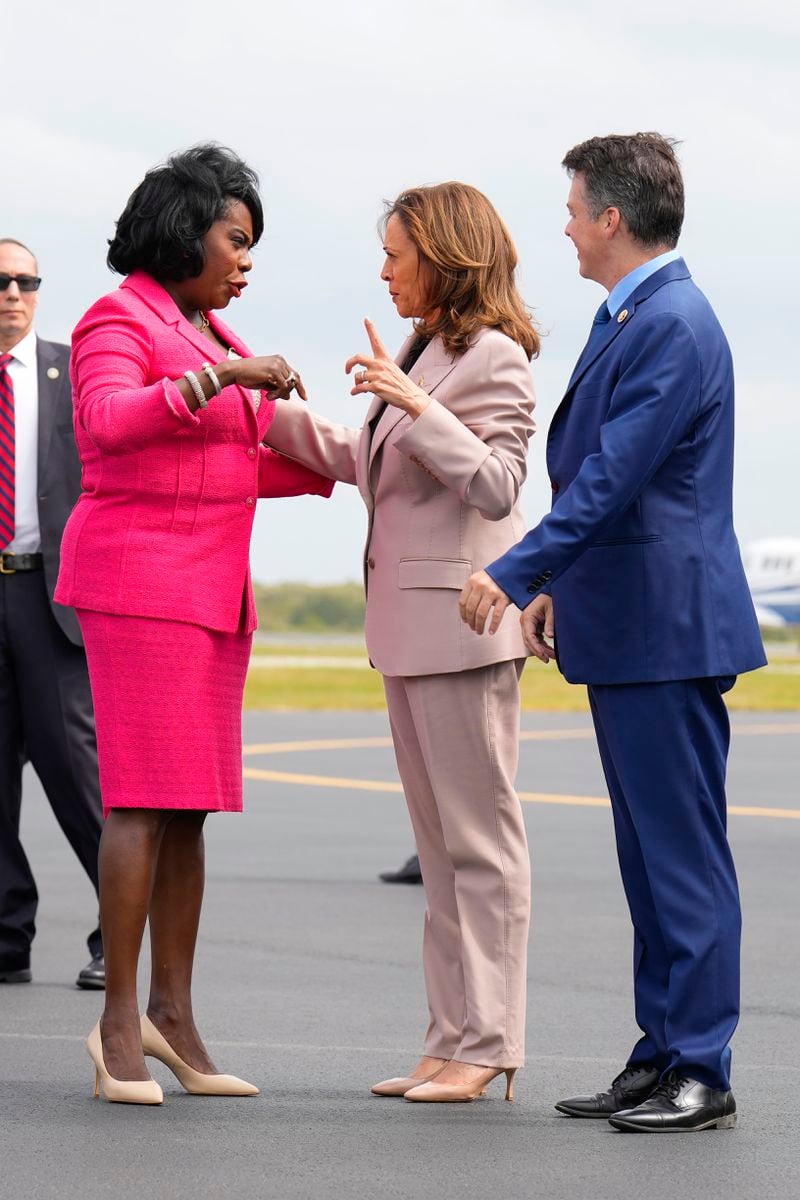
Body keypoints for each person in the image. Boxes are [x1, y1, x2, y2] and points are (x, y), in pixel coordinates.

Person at [460, 133, 766, 1132]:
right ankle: (661, 1048)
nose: (563, 225)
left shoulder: (669, 321)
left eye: (572, 206)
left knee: (680, 855)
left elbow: (612, 476)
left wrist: (516, 571)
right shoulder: (638, 313)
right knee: (647, 856)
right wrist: (565, 589)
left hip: (665, 628)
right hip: (631, 619)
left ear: (610, 219)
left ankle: (701, 1066)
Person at [54, 144, 334, 1105]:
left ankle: (173, 1015)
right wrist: (224, 381)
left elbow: (226, 465)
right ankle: (117, 1026)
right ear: (186, 230)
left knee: (187, 808)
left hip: (211, 591)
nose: (246, 258)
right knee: (137, 800)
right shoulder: (118, 316)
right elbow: (109, 422)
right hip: (141, 584)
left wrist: (355, 458)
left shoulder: (208, 327)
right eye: (235, 237)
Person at [264, 182, 538, 1103]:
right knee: (438, 849)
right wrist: (271, 412)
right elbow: (367, 460)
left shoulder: (492, 356)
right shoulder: (422, 350)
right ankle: (451, 1033)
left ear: (446, 255)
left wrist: (417, 403)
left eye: (395, 254)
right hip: (406, 634)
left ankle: (492, 1041)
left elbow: (499, 487)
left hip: (462, 634)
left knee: (480, 849)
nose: (383, 271)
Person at [0, 238, 105, 990]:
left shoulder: (72, 372)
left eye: (25, 280)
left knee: (76, 768)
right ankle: (7, 937)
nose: (12, 292)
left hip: (50, 596)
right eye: (0, 281)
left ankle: (122, 933)